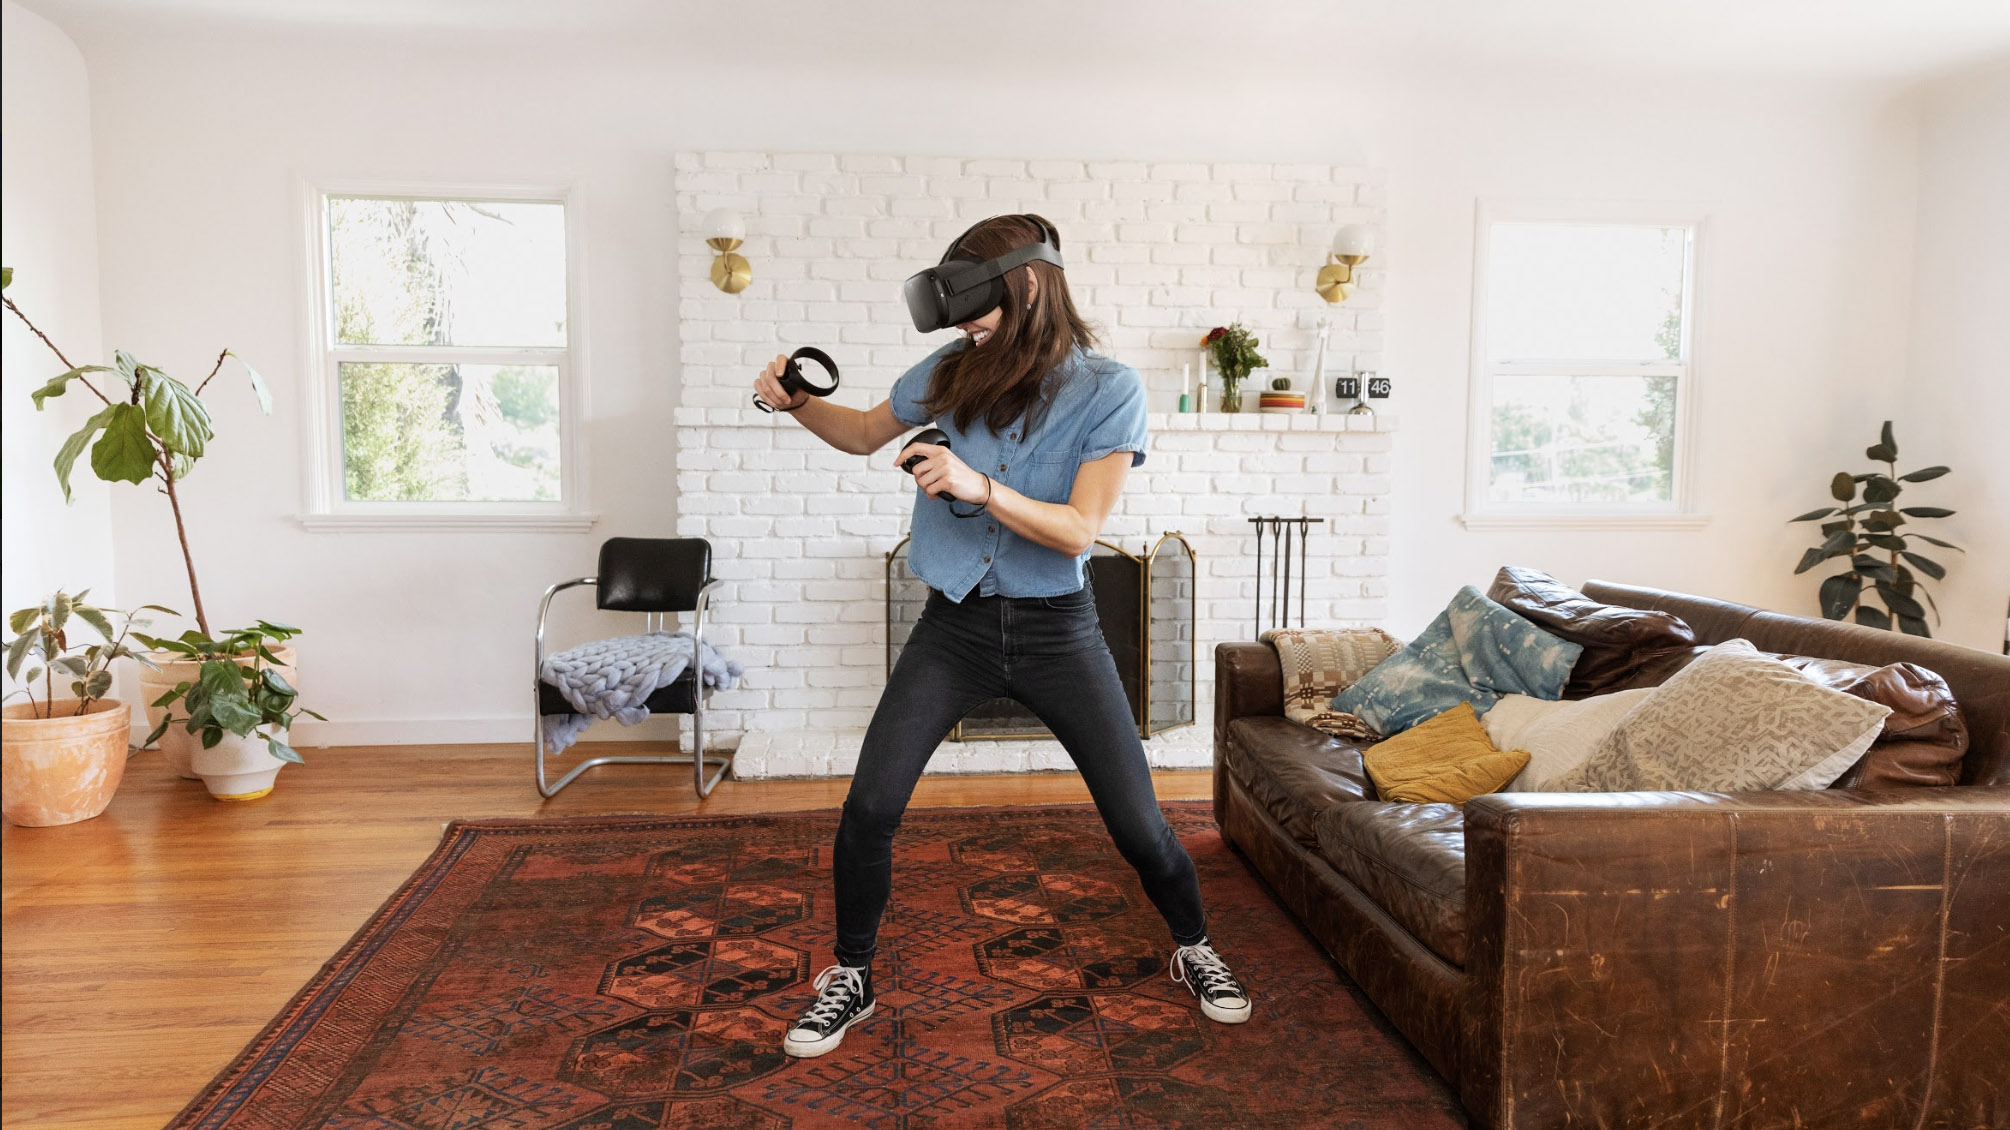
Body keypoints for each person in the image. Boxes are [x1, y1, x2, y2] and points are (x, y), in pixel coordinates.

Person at [751, 213, 1251, 1059]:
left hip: (1061, 632)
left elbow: (1079, 531)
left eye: (977, 309)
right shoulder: (953, 370)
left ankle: (1196, 946)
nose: (965, 329)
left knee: (1138, 824)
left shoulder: (1109, 388)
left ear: (1027, 285)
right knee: (870, 806)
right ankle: (852, 975)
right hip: (955, 627)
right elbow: (866, 431)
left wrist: (978, 484)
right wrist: (798, 403)